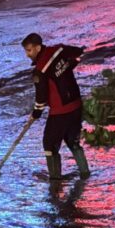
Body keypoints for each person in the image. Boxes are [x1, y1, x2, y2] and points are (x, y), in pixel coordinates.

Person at [21, 32, 90, 181]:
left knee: (49, 144)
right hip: (76, 105)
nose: (27, 55)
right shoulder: (59, 50)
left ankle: (55, 181)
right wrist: (70, 65)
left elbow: (41, 97)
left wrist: (35, 114)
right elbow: (78, 53)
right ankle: (85, 174)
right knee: (73, 141)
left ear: (38, 48)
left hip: (61, 112)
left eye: (29, 50)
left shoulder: (40, 70)